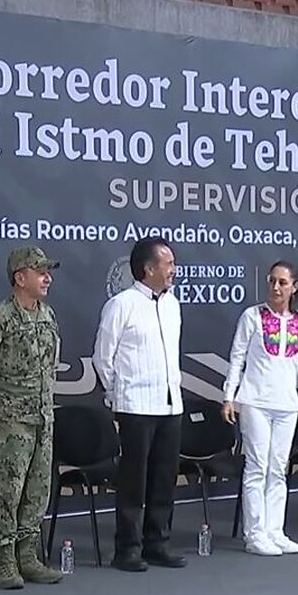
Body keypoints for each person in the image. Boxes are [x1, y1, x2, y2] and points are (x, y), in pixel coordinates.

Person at [0, 246, 63, 589]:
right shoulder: (0, 317)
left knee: (38, 489)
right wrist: (4, 395)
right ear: (19, 278)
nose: (47, 277)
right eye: (40, 271)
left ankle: (29, 555)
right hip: (10, 419)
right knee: (10, 489)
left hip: (42, 416)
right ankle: (4, 558)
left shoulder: (47, 315)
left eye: (47, 271)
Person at [92, 237, 187, 572]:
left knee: (164, 478)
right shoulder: (122, 304)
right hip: (135, 406)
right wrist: (119, 393)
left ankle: (157, 543)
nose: (174, 270)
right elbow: (103, 357)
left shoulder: (173, 304)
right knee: (134, 480)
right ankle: (127, 548)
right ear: (148, 269)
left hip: (170, 404)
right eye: (168, 263)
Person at [221, 261, 298, 556]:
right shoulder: (251, 317)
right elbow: (237, 358)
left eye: (282, 282)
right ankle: (254, 534)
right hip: (255, 401)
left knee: (278, 469)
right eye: (272, 281)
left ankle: (274, 530)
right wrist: (229, 396)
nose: (276, 288)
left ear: (294, 287)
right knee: (257, 466)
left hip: (287, 405)